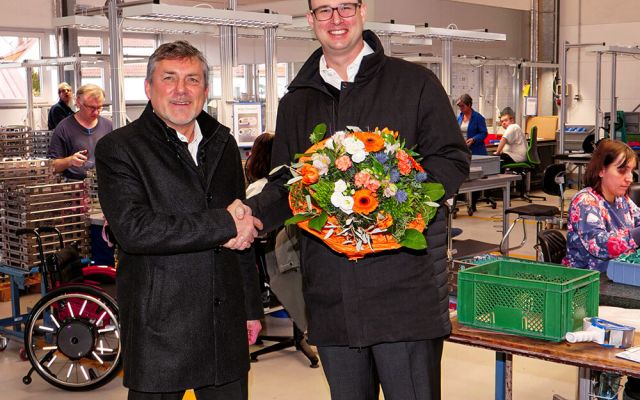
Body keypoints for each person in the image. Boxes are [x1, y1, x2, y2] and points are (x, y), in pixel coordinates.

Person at [244, 1, 470, 398]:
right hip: (333, 298)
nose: (336, 19)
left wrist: (394, 202)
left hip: (404, 296)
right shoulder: (297, 101)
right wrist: (248, 214)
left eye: (345, 6)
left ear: (363, 10)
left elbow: (451, 159)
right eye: (324, 10)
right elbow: (285, 184)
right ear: (311, 19)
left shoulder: (413, 83)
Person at [95, 40, 263, 400]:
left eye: (192, 80)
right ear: (148, 87)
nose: (181, 90)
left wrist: (251, 307)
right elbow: (135, 230)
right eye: (169, 78)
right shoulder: (121, 148)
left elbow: (243, 229)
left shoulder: (222, 142)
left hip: (223, 321)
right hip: (161, 326)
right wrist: (224, 225)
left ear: (206, 89)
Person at [562, 139, 640, 400]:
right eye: (622, 170)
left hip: (616, 283)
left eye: (632, 171)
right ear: (601, 170)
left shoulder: (623, 201)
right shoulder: (586, 202)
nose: (629, 178)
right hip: (588, 290)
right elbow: (600, 246)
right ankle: (608, 387)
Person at [47, 83, 112, 180]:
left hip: (105, 184)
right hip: (76, 185)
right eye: (91, 107)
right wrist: (70, 161)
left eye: (99, 107)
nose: (96, 112)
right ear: (78, 103)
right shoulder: (64, 128)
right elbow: (52, 166)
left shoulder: (109, 126)